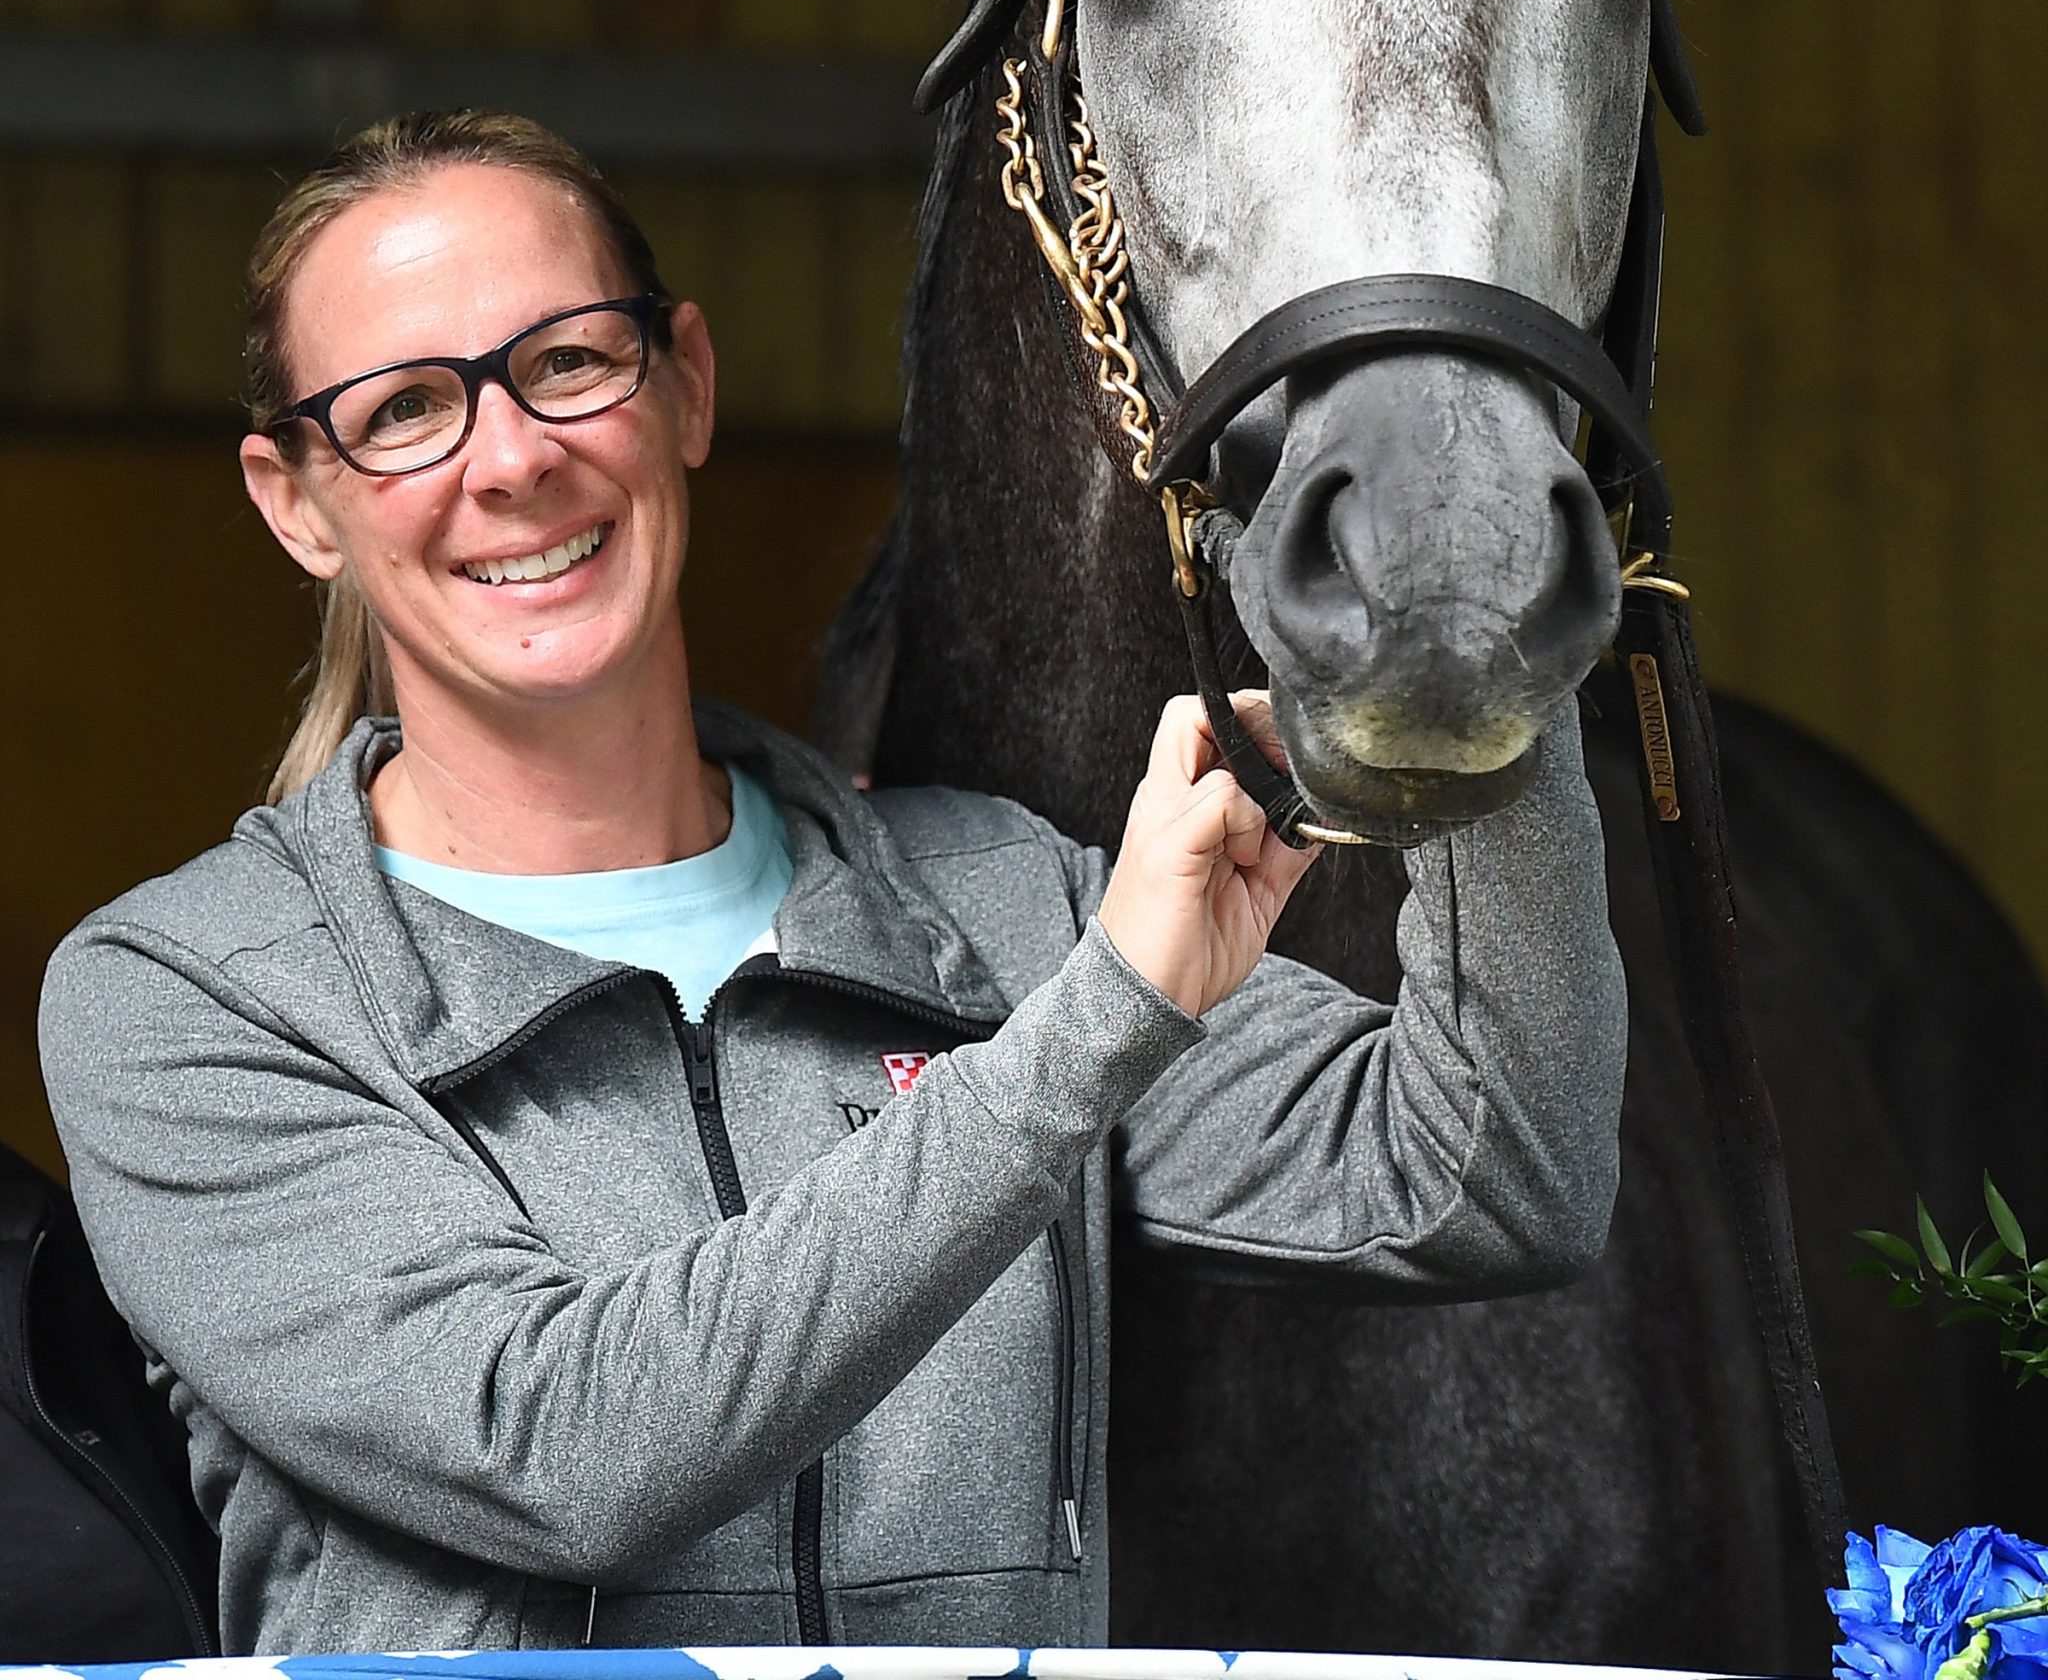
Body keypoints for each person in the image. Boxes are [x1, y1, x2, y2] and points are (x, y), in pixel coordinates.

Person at [39, 108, 1627, 1655]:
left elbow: (1492, 1179)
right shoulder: (192, 1002)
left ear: (688, 389)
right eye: (403, 412)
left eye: (568, 362)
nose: (513, 457)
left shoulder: (999, 906)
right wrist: (1095, 1028)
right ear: (296, 503)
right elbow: (556, 1452)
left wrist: (1477, 598)